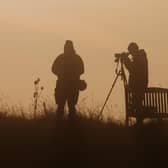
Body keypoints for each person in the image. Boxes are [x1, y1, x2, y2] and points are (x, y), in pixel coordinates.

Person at [51, 40, 85, 119]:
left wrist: (69, 75)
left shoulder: (73, 58)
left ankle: (70, 125)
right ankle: (62, 125)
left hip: (70, 86)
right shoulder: (74, 58)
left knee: (70, 107)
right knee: (62, 107)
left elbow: (82, 70)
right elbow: (53, 69)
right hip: (64, 86)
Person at [122, 42, 148, 126]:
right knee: (137, 103)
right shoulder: (141, 57)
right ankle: (139, 123)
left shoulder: (139, 58)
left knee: (137, 103)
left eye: (131, 51)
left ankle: (139, 123)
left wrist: (126, 60)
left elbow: (133, 69)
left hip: (138, 86)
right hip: (141, 84)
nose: (131, 54)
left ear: (134, 50)